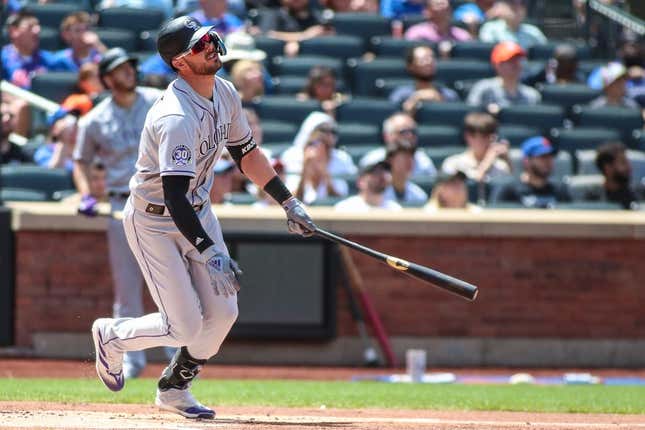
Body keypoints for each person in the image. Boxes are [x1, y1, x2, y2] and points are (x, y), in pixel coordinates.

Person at [90, 16, 316, 419]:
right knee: (184, 327)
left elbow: (246, 153)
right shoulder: (174, 116)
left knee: (224, 314)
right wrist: (209, 250)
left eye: (210, 38)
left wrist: (288, 201)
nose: (211, 46)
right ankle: (112, 334)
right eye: (199, 45)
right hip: (155, 220)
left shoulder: (225, 92)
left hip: (197, 211)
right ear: (179, 62)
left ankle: (175, 389)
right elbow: (173, 195)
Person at [75, 48, 163, 380]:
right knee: (126, 287)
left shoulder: (158, 100)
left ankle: (176, 357)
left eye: (130, 66)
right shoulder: (94, 119)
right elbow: (81, 160)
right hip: (119, 203)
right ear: (108, 78)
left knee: (173, 282)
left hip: (161, 200)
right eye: (121, 69)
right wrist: (86, 193)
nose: (129, 72)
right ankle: (128, 360)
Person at [490, 136, 572, 208]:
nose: (548, 161)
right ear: (527, 161)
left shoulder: (559, 191)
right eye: (543, 157)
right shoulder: (509, 191)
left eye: (551, 156)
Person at [466, 41, 541, 113]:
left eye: (518, 60)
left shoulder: (532, 95)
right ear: (497, 65)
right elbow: (471, 117)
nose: (515, 64)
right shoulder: (484, 89)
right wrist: (487, 113)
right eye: (510, 61)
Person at [441, 112, 512, 183]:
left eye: (492, 136)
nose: (490, 140)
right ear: (468, 136)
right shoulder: (453, 164)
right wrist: (486, 163)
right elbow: (473, 185)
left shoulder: (501, 166)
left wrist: (507, 159)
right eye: (484, 136)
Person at [281, 111, 357, 178]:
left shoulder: (343, 157)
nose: (329, 135)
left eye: (332, 131)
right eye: (323, 130)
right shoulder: (290, 156)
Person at [359, 112, 436, 177]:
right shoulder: (373, 160)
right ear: (387, 136)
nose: (410, 136)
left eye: (413, 132)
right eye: (403, 132)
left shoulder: (423, 160)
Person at [389, 45, 459, 115]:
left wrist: (440, 101)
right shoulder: (400, 95)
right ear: (410, 66)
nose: (429, 62)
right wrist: (414, 100)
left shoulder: (449, 95)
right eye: (423, 59)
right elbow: (394, 118)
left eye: (431, 58)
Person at [287, 127, 349, 205]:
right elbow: (291, 202)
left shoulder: (337, 171)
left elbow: (339, 201)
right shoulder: (295, 171)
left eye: (320, 158)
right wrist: (304, 173)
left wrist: (325, 175)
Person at [1, 10, 61, 89]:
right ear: (13, 31)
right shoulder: (3, 58)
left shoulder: (50, 60)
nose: (37, 30)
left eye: (37, 26)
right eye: (30, 26)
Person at [256, 0, 335, 57]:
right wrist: (303, 36)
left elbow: (328, 33)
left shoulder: (316, 15)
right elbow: (267, 34)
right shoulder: (274, 14)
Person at [585, 141, 641, 210]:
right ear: (608, 168)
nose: (629, 168)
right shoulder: (593, 199)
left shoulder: (639, 196)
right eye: (623, 163)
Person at [335, 159, 402, 211]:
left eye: (385, 171)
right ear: (360, 181)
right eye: (375, 172)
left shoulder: (395, 209)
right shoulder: (345, 208)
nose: (381, 175)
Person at [478, 0, 547, 50]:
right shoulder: (490, 29)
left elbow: (545, 52)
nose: (517, 7)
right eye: (511, 2)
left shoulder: (533, 32)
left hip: (527, 69)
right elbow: (487, 54)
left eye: (521, 3)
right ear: (501, 7)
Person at [404, 0, 472, 45]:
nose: (443, 7)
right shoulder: (416, 33)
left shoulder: (462, 35)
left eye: (445, 4)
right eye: (438, 4)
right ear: (427, 11)